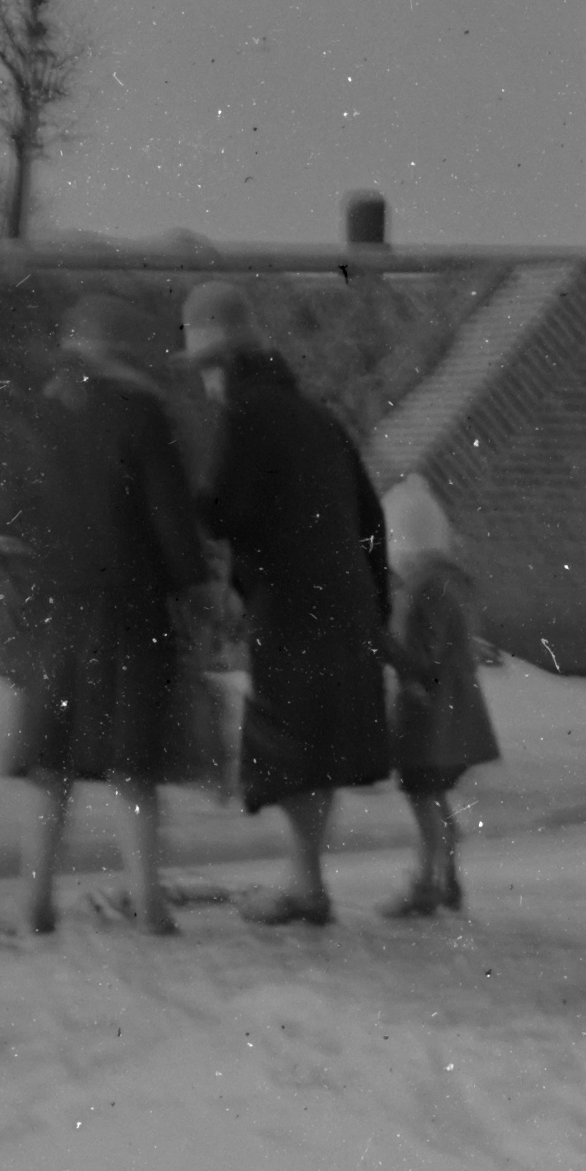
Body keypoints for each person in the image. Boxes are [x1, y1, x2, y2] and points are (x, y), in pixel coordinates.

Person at [185, 280, 395, 928]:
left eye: (205, 369)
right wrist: (375, 601)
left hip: (294, 604)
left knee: (291, 744)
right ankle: (307, 879)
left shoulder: (246, 414)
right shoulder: (316, 416)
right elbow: (370, 516)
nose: (204, 385)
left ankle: (305, 885)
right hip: (343, 598)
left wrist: (186, 499)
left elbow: (227, 510)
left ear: (224, 363)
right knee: (317, 745)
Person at [7, 287, 217, 935]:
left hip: (54, 607)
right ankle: (148, 901)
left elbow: (18, 509)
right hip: (130, 607)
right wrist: (194, 585)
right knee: (134, 763)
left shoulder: (44, 412)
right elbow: (171, 519)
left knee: (51, 764)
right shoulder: (142, 413)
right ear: (122, 349)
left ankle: (35, 900)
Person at [379, 474, 498, 919]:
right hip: (457, 717)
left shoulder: (420, 590)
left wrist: (381, 644)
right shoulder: (452, 585)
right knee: (434, 797)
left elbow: (418, 657)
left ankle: (429, 880)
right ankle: (446, 877)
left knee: (422, 798)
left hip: (428, 717)